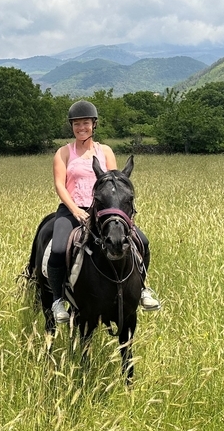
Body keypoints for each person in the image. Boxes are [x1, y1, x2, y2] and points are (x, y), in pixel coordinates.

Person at [46, 100, 160, 324]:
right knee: (58, 249)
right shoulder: (63, 153)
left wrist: (118, 213)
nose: (81, 128)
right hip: (72, 210)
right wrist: (75, 210)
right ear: (71, 126)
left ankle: (143, 289)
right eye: (77, 124)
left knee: (142, 242)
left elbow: (116, 183)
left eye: (85, 123)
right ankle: (58, 300)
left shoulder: (105, 151)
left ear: (94, 125)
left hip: (105, 213)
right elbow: (60, 185)